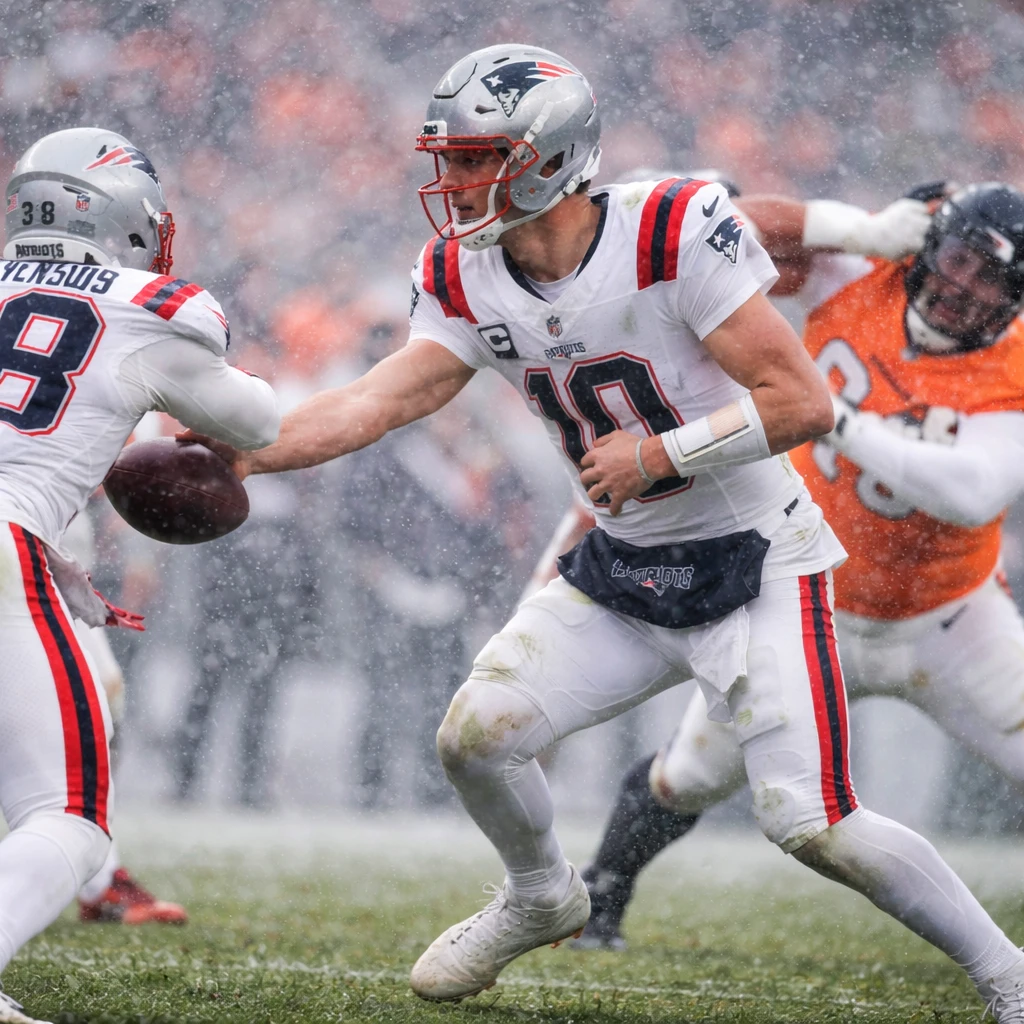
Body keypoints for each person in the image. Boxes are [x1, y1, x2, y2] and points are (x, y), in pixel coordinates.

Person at [189, 45, 1024, 1019]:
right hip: (622, 561)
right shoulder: (460, 271)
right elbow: (380, 397)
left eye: (474, 158)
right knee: (474, 736)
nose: (451, 181)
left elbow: (795, 401)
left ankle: (1007, 976)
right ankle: (541, 893)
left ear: (546, 158)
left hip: (756, 557)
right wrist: (248, 450)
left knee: (810, 820)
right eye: (448, 157)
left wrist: (662, 455)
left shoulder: (667, 227)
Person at [572, 182, 1024, 959]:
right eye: (958, 260)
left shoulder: (1012, 365)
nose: (965, 289)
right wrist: (850, 225)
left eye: (996, 280)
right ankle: (600, 897)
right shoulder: (856, 275)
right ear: (926, 246)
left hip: (950, 618)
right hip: (804, 602)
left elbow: (972, 492)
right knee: (690, 776)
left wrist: (830, 414)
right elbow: (707, 228)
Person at [0, 126, 279, 1023]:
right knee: (72, 814)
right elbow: (257, 417)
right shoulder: (145, 305)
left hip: (25, 539)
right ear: (115, 213)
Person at [61, 507, 188, 923]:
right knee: (94, 711)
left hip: (50, 574)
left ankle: (100, 875)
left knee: (101, 712)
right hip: (27, 572)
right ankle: (99, 877)